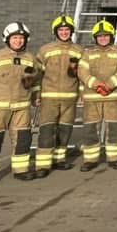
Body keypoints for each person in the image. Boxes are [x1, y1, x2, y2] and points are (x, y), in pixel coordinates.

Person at [0, 22, 41, 186]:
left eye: (21, 38)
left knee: (23, 141)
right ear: (7, 39)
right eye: (15, 38)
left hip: (21, 108)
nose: (18, 41)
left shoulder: (31, 59)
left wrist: (35, 96)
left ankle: (21, 170)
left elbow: (36, 81)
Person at [78, 20, 117, 171]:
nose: (103, 38)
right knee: (90, 129)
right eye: (100, 36)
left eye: (106, 36)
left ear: (111, 36)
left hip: (113, 97)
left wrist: (109, 85)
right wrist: (96, 85)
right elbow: (82, 72)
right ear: (95, 38)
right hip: (92, 98)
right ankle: (90, 160)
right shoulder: (87, 53)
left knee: (114, 128)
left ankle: (114, 158)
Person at [33, 15, 82, 176]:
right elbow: (36, 74)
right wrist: (37, 94)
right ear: (55, 32)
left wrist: (81, 93)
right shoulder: (45, 50)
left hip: (70, 97)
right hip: (49, 98)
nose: (64, 32)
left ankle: (60, 159)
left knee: (65, 130)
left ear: (71, 31)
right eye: (60, 30)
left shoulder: (79, 51)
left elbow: (82, 75)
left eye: (67, 29)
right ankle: (43, 165)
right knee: (47, 129)